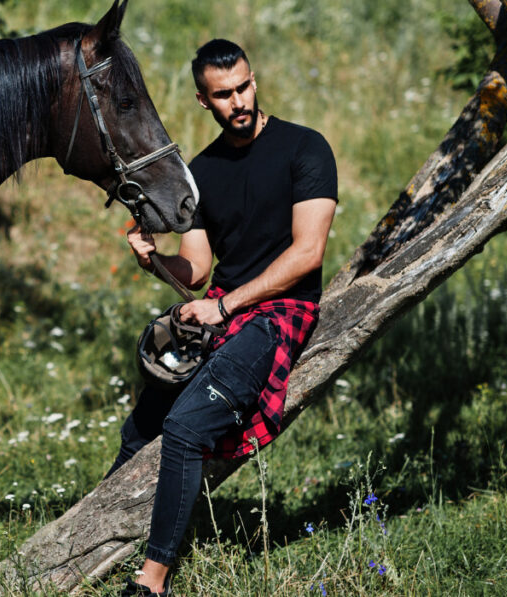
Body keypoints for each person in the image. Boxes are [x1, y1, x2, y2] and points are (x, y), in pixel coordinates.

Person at [112, 39, 338, 596]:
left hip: (277, 314)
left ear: (254, 80)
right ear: (202, 100)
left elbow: (308, 254)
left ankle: (152, 582)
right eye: (222, 95)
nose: (237, 101)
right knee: (137, 431)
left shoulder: (305, 148)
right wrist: (154, 260)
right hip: (224, 314)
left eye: (243, 87)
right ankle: (90, 541)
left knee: (186, 429)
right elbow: (195, 267)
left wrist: (225, 303)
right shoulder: (202, 171)